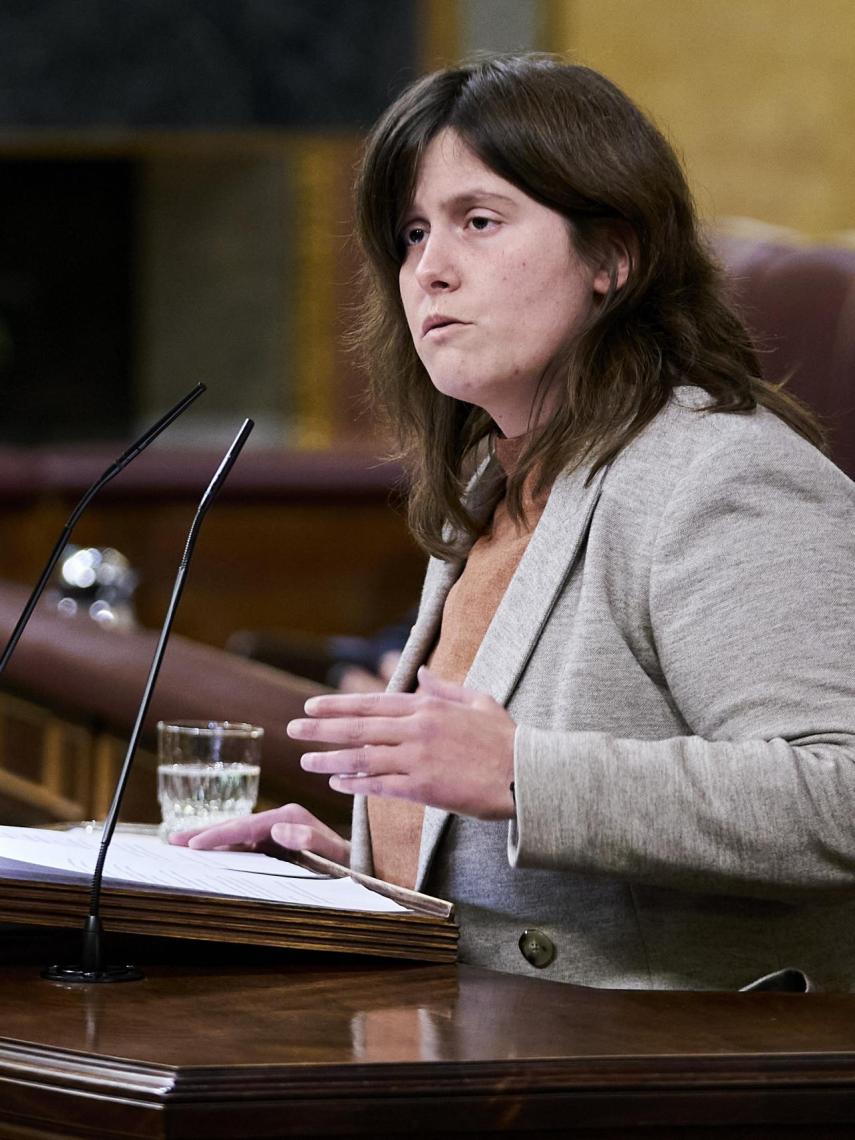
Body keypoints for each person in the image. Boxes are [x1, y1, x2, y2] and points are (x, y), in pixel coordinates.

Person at [174, 54, 855, 991]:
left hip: (666, 1073)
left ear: (612, 256)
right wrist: (347, 875)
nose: (429, 272)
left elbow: (842, 796)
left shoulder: (717, 472)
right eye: (412, 235)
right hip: (490, 1039)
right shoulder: (501, 481)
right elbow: (508, 871)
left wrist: (524, 774)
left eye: (478, 222)